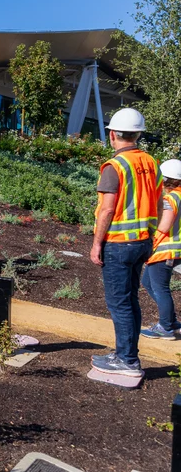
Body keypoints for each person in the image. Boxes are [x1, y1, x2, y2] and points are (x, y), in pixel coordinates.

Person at [90, 108, 163, 377]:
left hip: (119, 244)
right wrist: (151, 234)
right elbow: (158, 203)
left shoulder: (115, 166)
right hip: (142, 241)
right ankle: (125, 353)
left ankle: (127, 360)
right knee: (130, 301)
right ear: (137, 134)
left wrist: (97, 243)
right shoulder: (151, 163)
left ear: (112, 135)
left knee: (119, 303)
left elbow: (107, 210)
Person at [140, 159, 181, 340]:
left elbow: (164, 227)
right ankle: (171, 321)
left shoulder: (169, 198)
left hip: (165, 250)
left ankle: (165, 327)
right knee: (148, 282)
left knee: (160, 288)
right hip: (174, 250)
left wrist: (148, 235)